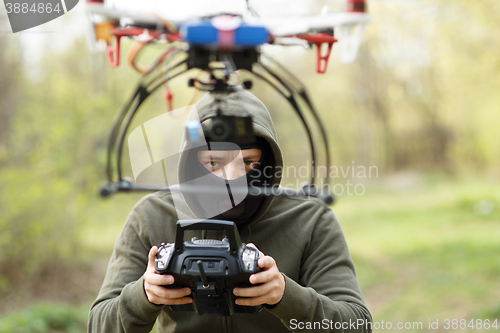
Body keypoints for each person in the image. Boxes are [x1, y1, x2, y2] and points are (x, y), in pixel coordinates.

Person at [88, 89, 372, 332]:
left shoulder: (309, 219)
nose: (232, 178)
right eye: (213, 163)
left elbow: (356, 323)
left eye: (248, 162)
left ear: (270, 160)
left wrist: (285, 295)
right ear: (189, 163)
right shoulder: (151, 215)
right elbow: (99, 324)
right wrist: (144, 294)